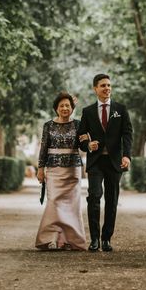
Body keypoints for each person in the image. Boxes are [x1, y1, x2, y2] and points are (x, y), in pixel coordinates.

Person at [78, 73, 132, 252]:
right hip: (95, 162)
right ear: (95, 89)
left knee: (112, 200)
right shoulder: (88, 112)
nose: (107, 88)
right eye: (103, 85)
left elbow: (127, 134)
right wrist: (88, 145)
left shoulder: (121, 109)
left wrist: (127, 156)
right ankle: (94, 239)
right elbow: (81, 137)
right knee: (94, 197)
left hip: (115, 162)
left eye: (109, 85)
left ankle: (106, 238)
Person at [35, 92, 88, 250]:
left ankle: (69, 241)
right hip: (54, 170)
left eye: (68, 105)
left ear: (72, 108)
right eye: (62, 106)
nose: (65, 108)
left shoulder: (78, 125)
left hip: (73, 170)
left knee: (71, 206)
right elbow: (43, 148)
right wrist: (40, 168)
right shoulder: (48, 125)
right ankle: (49, 239)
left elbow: (83, 146)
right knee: (53, 204)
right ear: (56, 108)